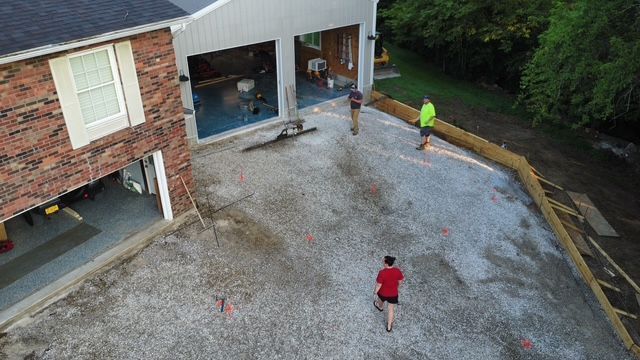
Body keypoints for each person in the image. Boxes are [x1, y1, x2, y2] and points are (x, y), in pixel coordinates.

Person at [374, 256, 405, 332]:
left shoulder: (382, 272)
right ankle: (389, 326)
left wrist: (375, 292)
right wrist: (397, 287)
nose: (382, 262)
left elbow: (379, 285)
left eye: (383, 261)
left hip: (383, 292)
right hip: (393, 294)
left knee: (380, 300)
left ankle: (380, 307)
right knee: (391, 309)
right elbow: (401, 280)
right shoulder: (397, 271)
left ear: (386, 263)